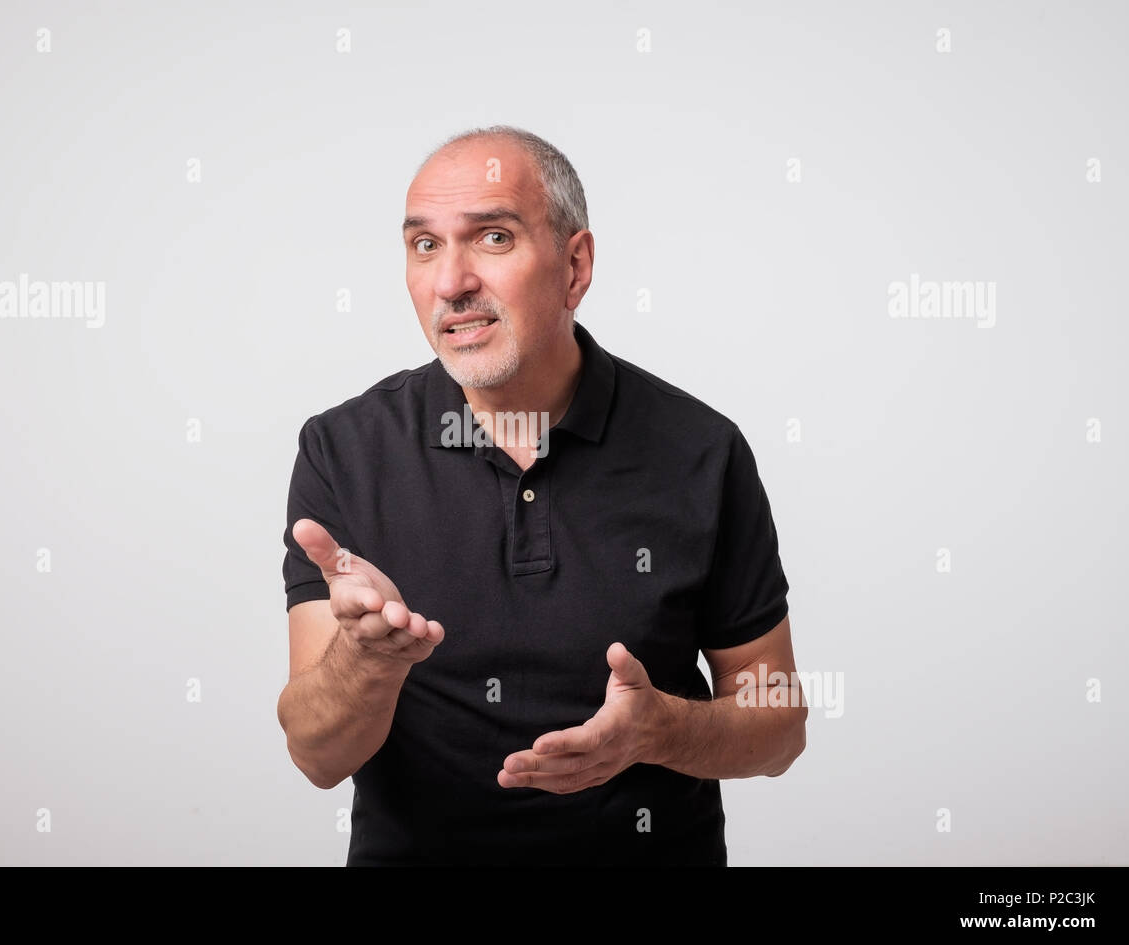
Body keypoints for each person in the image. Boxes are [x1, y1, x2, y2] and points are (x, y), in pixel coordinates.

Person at [278, 125, 806, 866]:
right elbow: (315, 755)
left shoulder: (702, 451)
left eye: (492, 237)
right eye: (424, 245)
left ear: (575, 265)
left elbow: (780, 724)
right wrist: (367, 662)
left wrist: (660, 730)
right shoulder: (344, 450)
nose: (450, 281)